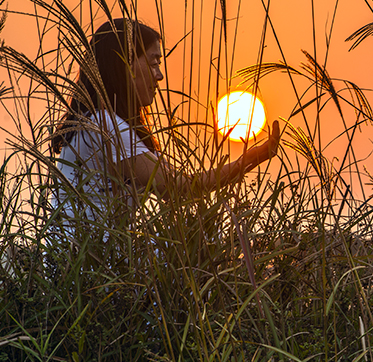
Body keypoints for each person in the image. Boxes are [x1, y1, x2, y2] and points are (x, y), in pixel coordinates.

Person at [50, 18, 281, 237]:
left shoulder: (99, 122)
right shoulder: (105, 125)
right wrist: (246, 162)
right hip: (90, 263)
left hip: (86, 260)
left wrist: (246, 162)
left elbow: (180, 184)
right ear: (125, 65)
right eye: (154, 63)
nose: (159, 76)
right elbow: (177, 189)